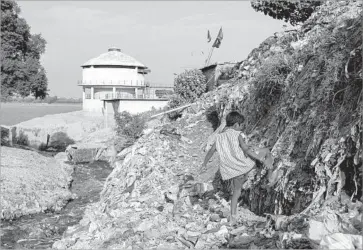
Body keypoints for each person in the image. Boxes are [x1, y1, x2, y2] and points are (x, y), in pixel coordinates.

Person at [201, 111, 273, 225]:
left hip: (232, 171)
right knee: (266, 151)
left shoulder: (219, 138)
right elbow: (246, 150)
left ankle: (233, 217)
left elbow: (211, 151)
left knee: (236, 192)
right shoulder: (237, 135)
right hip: (244, 166)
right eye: (241, 125)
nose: (242, 128)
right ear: (235, 125)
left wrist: (204, 164)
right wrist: (261, 159)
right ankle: (270, 179)